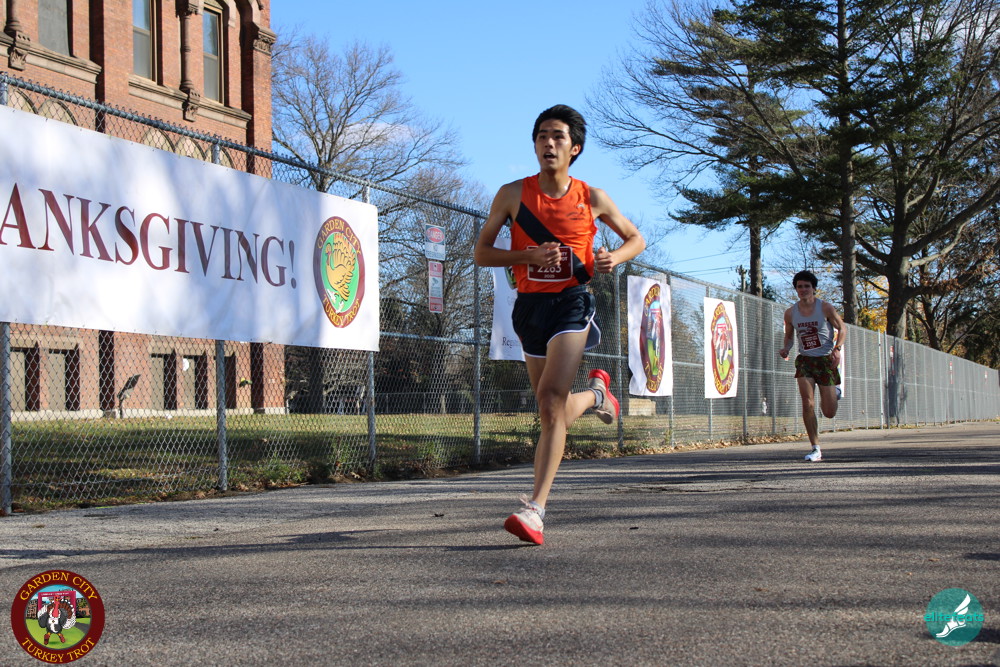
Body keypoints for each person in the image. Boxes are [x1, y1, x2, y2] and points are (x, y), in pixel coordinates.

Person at [474, 104, 645, 545]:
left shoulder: (592, 198)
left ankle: (535, 510)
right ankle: (597, 395)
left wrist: (614, 258)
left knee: (551, 401)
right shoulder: (512, 194)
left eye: (558, 137)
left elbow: (635, 238)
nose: (548, 143)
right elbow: (482, 253)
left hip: (573, 302)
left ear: (575, 148)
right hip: (529, 307)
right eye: (542, 136)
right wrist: (526, 256)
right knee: (551, 410)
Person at [778, 270, 847, 462]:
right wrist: (786, 348)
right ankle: (815, 448)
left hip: (825, 360)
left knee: (829, 412)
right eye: (799, 286)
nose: (803, 289)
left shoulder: (825, 308)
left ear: (814, 288)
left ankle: (835, 392)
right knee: (807, 402)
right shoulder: (790, 313)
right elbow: (789, 336)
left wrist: (837, 349)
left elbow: (842, 328)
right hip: (805, 361)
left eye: (807, 286)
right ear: (796, 289)